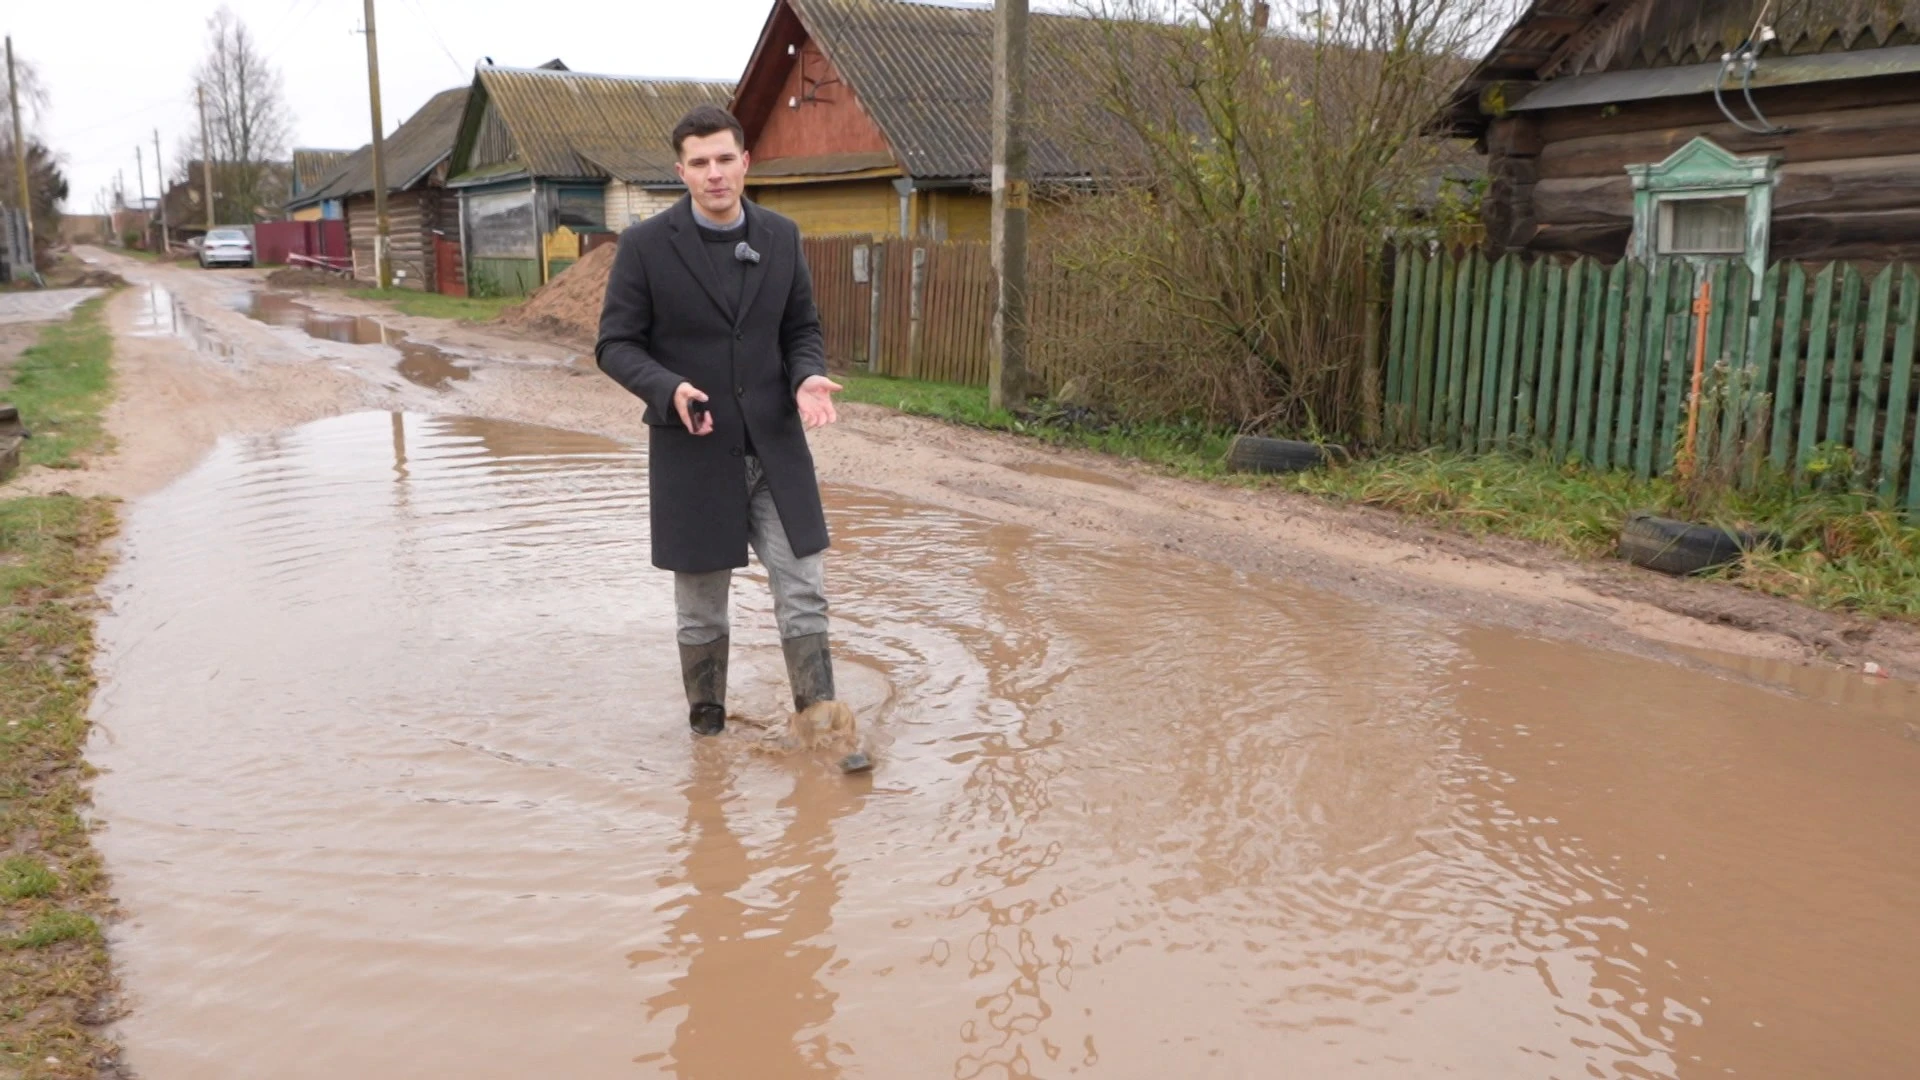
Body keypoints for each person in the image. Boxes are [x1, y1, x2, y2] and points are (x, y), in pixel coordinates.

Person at [595, 104, 847, 740]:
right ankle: (707, 739)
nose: (714, 173)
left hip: (776, 448)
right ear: (681, 171)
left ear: (745, 162)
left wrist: (806, 375)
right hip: (695, 449)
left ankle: (821, 725)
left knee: (804, 590)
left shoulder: (781, 236)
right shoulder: (646, 246)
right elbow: (615, 344)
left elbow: (801, 330)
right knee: (701, 611)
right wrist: (666, 386)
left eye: (725, 159)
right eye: (700, 162)